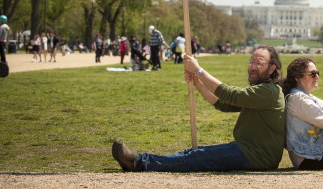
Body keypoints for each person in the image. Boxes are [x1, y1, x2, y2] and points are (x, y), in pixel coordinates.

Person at [111, 45, 286, 172]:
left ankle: (138, 162)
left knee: (197, 157)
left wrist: (199, 70)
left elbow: (230, 94)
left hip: (256, 157)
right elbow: (222, 103)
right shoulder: (262, 92)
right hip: (247, 151)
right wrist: (197, 82)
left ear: (272, 69)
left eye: (259, 63)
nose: (253, 66)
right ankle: (139, 161)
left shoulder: (270, 92)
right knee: (195, 153)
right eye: (251, 61)